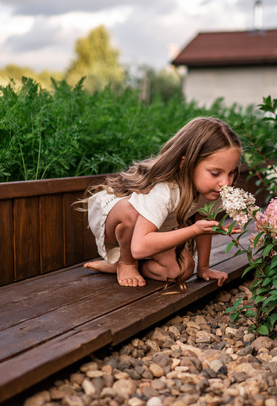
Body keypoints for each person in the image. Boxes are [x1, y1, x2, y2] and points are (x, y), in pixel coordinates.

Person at [78, 117, 241, 289]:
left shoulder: (213, 190)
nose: (226, 182)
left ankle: (117, 264)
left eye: (231, 173)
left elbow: (204, 228)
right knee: (131, 213)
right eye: (215, 173)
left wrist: (203, 268)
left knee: (182, 270)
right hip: (116, 219)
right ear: (185, 164)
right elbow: (140, 247)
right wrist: (193, 229)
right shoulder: (164, 190)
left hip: (153, 227)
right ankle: (126, 263)